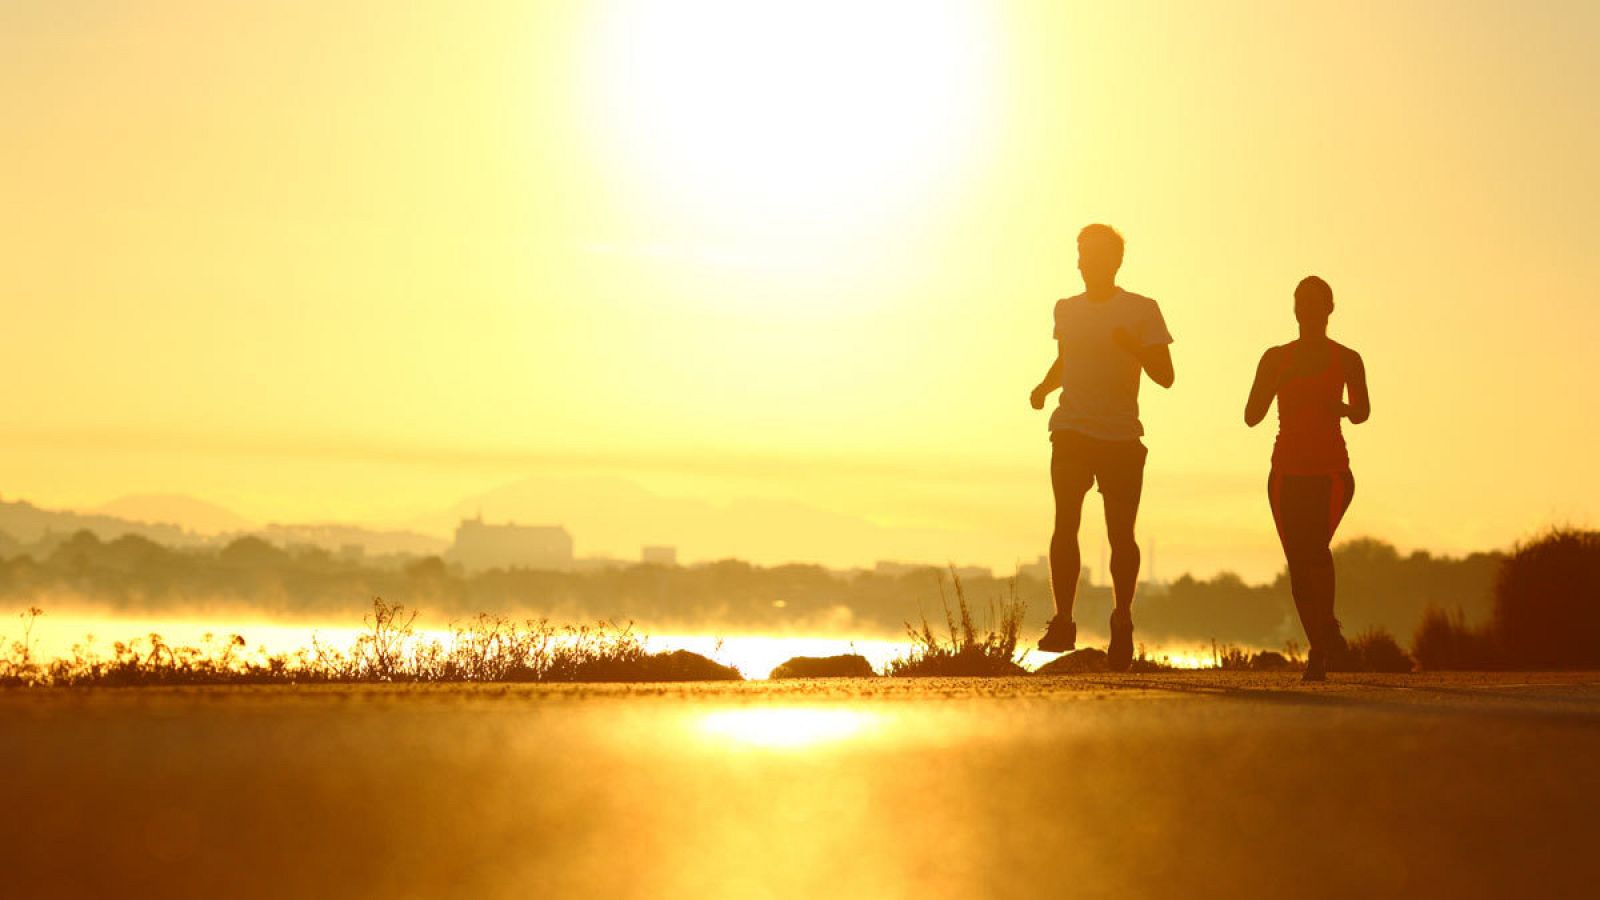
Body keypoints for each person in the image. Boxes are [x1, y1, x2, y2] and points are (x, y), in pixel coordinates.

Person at [1029, 225, 1174, 670]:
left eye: (1091, 254)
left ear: (1113, 261)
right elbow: (1067, 357)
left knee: (1121, 535)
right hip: (1071, 427)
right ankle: (1064, 619)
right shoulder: (1066, 310)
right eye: (1079, 254)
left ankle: (1123, 620)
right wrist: (1044, 386)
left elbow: (1166, 376)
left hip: (1121, 436)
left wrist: (1134, 346)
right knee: (1065, 520)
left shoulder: (1141, 310)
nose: (1082, 262)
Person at [1244, 275, 1370, 681]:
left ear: (1330, 308)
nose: (1307, 310)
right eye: (1301, 303)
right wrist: (1277, 383)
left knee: (1315, 548)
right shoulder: (1275, 358)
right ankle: (1320, 646)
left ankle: (1326, 632)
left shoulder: (1347, 359)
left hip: (1332, 473)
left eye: (1316, 303)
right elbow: (1251, 416)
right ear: (1293, 309)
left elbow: (1363, 410)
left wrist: (1341, 409)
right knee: (1298, 563)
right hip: (1285, 475)